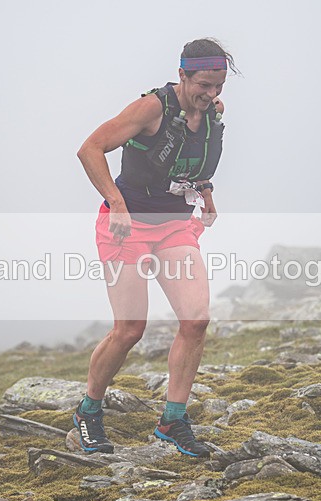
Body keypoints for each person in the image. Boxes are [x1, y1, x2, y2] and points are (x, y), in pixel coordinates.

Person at [74, 38, 237, 458]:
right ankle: (89, 410)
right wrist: (117, 202)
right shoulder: (152, 108)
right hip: (126, 227)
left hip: (174, 225)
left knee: (196, 320)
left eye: (218, 86)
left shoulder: (213, 112)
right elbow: (90, 149)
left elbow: (189, 161)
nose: (212, 94)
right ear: (182, 75)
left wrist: (208, 196)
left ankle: (173, 420)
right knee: (130, 329)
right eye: (203, 84)